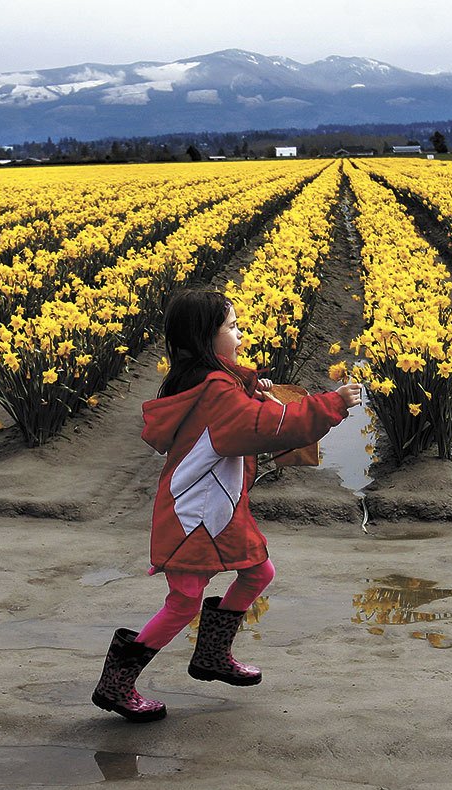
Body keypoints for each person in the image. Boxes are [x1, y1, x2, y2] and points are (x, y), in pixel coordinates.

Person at [92, 288, 362, 722]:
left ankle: (212, 655)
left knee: (259, 570)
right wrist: (331, 404)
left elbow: (236, 412)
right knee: (183, 603)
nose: (240, 335)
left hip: (217, 507)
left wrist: (251, 385)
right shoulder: (217, 389)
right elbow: (262, 427)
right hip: (193, 516)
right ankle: (117, 684)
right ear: (204, 339)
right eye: (232, 327)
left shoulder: (212, 381)